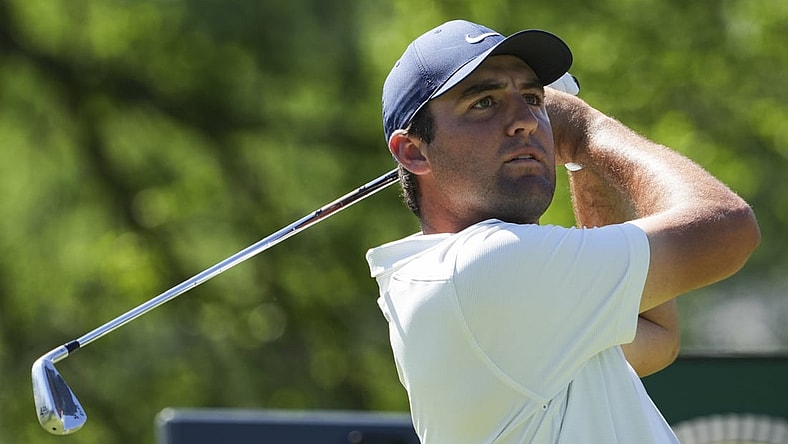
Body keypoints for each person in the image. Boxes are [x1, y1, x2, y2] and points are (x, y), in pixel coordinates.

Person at [365, 19, 760, 443]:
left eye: (532, 98)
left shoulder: (458, 278)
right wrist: (587, 129)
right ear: (413, 151)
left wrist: (577, 156)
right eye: (484, 102)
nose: (526, 121)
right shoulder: (487, 268)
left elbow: (653, 335)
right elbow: (728, 227)